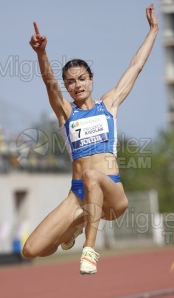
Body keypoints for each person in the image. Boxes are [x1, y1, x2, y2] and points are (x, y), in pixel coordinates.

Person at [22, 4, 158, 275]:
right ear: (68, 87)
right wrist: (41, 53)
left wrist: (153, 31)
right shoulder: (66, 114)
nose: (77, 85)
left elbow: (136, 66)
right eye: (71, 82)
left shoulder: (108, 105)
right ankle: (72, 230)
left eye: (82, 79)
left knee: (93, 176)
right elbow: (49, 83)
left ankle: (89, 250)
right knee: (31, 249)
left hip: (112, 195)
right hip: (79, 197)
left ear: (91, 80)